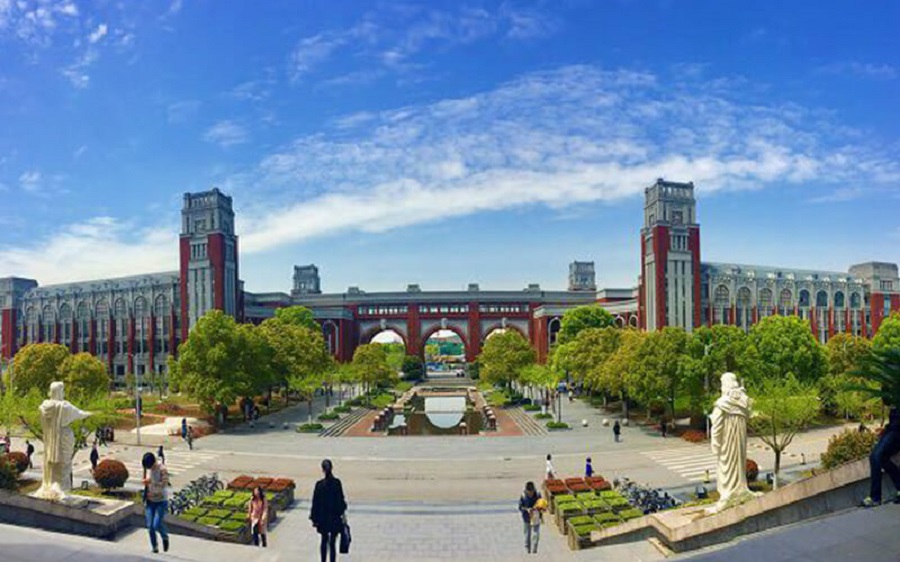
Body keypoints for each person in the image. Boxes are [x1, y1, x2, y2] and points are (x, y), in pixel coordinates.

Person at [862, 406, 900, 507]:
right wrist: (885, 429)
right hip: (893, 430)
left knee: (876, 456)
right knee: (881, 458)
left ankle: (875, 498)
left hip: (896, 432)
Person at [310, 459, 347, 562]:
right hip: (334, 518)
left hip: (323, 519)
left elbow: (315, 503)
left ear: (322, 469)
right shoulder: (337, 483)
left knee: (323, 540)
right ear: (332, 468)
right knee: (332, 543)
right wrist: (342, 511)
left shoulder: (319, 485)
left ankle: (323, 560)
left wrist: (314, 519)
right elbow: (341, 501)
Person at [141, 452, 170, 554]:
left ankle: (165, 537)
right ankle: (155, 547)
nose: (150, 469)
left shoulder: (162, 469)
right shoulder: (148, 469)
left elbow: (164, 485)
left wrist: (151, 482)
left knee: (156, 525)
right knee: (150, 526)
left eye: (150, 466)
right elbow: (148, 482)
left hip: (161, 501)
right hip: (150, 501)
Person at [518, 481, 544, 554]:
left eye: (532, 492)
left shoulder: (538, 495)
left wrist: (538, 509)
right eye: (529, 492)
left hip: (536, 517)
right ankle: (527, 550)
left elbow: (542, 506)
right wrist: (527, 509)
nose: (531, 494)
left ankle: (534, 549)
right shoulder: (523, 496)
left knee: (536, 534)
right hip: (526, 518)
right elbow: (520, 507)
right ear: (526, 490)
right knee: (527, 534)